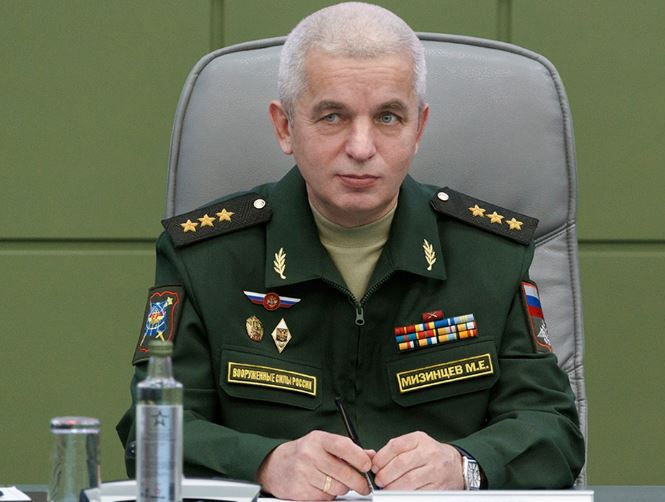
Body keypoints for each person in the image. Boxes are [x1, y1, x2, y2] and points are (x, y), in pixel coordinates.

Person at [117, 2, 585, 500]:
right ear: (285, 127)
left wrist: (464, 465)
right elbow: (150, 431)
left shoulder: (490, 255)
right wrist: (263, 463)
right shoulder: (206, 257)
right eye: (333, 116)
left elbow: (552, 428)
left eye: (388, 117)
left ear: (419, 128)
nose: (362, 147)